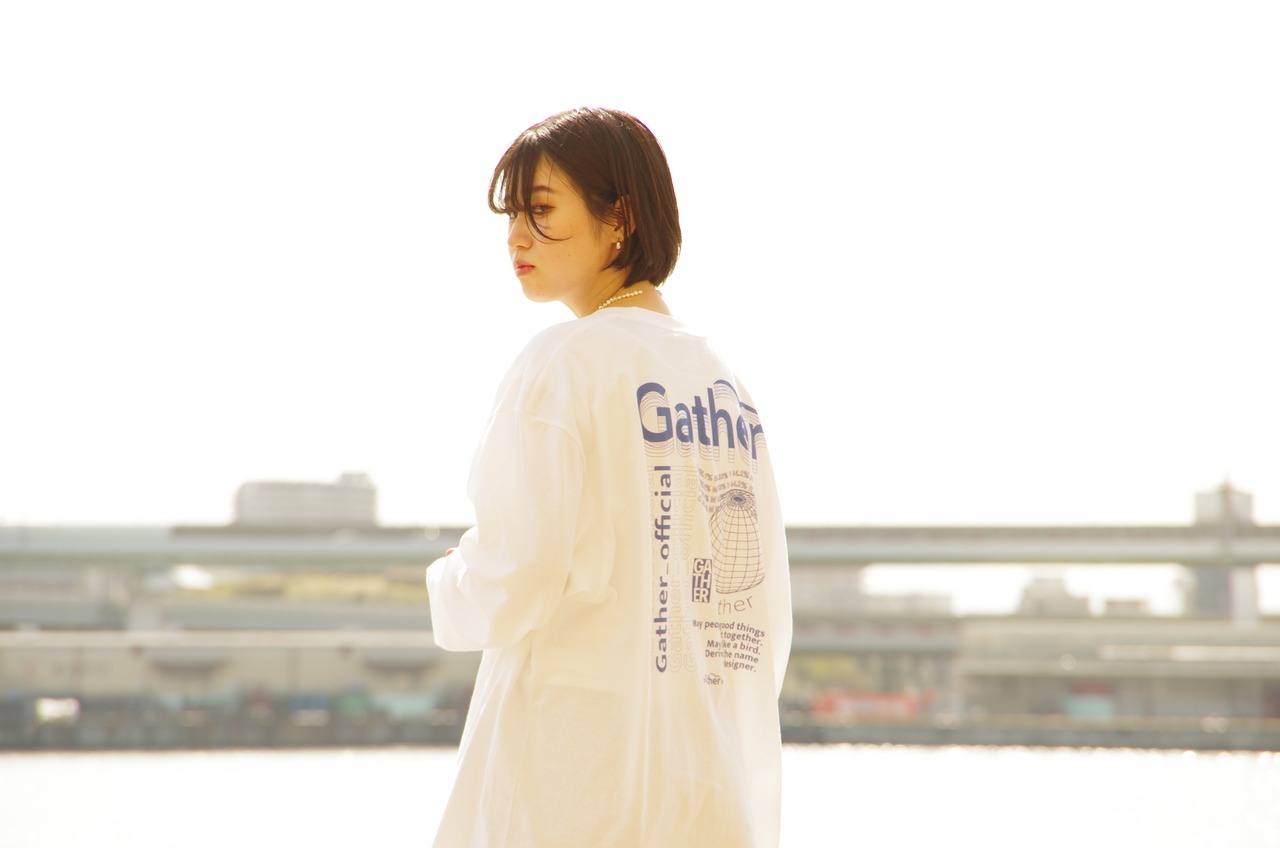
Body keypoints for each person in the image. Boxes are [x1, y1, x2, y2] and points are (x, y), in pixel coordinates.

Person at [425, 107, 792, 848]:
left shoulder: (565, 362)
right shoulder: (724, 385)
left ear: (618, 217)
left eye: (541, 210)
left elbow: (518, 575)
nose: (516, 236)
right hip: (706, 775)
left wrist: (449, 580)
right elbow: (760, 611)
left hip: (577, 775)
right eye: (511, 214)